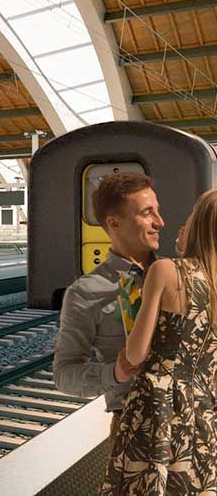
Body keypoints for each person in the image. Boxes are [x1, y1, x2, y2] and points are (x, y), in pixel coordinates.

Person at [101, 189, 217, 495]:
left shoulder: (166, 270)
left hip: (157, 406)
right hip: (205, 408)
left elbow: (136, 353)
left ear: (199, 224)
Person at [54, 173, 163, 436]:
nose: (160, 222)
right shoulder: (85, 293)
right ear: (114, 223)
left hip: (197, 420)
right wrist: (113, 373)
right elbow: (64, 374)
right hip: (133, 429)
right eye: (147, 213)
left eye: (157, 211)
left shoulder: (180, 276)